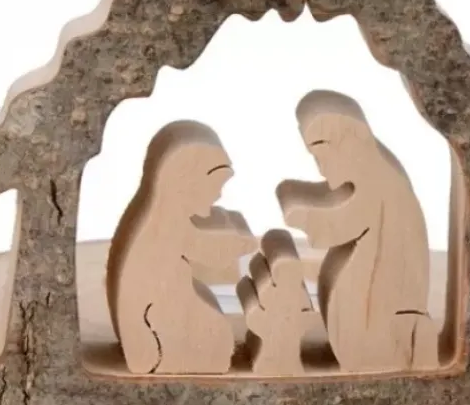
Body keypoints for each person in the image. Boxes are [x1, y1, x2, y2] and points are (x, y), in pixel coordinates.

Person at [277, 91, 432, 372]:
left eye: (320, 156)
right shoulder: (373, 169)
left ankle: (384, 356)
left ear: (342, 143)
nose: (321, 170)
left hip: (379, 314)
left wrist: (301, 215)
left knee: (358, 334)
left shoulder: (378, 178)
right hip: (369, 304)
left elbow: (338, 226)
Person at [106, 121, 256, 374]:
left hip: (164, 310)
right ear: (186, 182)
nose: (218, 196)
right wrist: (240, 244)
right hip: (156, 323)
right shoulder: (164, 226)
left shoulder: (161, 216)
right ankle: (179, 358)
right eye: (215, 186)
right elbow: (211, 253)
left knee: (210, 322)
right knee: (215, 335)